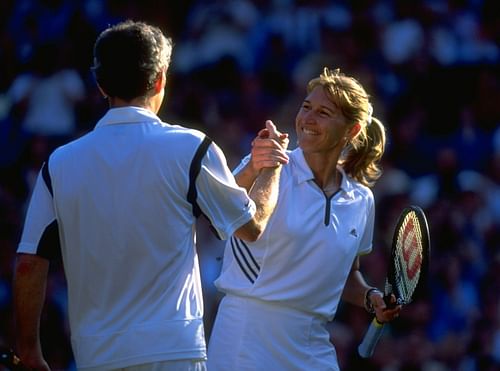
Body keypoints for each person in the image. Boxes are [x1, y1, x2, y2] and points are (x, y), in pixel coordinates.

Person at [13, 20, 289, 371]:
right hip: (174, 353)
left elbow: (28, 263)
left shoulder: (59, 163)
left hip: (97, 357)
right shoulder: (190, 146)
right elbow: (251, 226)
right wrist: (271, 169)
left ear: (100, 85)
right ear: (160, 79)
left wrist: (29, 351)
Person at [207, 67, 402, 371]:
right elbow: (220, 210)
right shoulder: (266, 163)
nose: (308, 119)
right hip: (246, 336)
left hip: (313, 343)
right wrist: (256, 170)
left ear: (351, 131)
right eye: (306, 107)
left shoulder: (361, 200)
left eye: (323, 113)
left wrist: (370, 297)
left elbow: (345, 275)